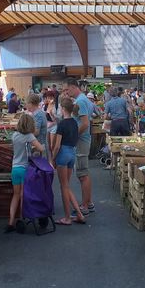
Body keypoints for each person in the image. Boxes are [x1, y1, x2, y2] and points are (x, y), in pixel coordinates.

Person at [6, 113, 44, 233]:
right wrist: (34, 148)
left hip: (15, 168)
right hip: (24, 168)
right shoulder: (29, 136)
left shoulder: (15, 135)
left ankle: (11, 221)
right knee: (24, 195)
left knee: (15, 195)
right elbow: (41, 148)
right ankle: (22, 219)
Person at [51, 97, 87, 226]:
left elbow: (56, 146)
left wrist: (52, 159)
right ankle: (78, 213)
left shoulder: (62, 124)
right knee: (67, 186)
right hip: (72, 153)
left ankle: (67, 217)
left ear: (63, 108)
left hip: (63, 154)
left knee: (63, 186)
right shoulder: (74, 123)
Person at [64, 77, 94, 216]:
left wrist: (74, 136)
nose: (66, 92)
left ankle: (85, 205)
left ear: (73, 87)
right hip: (84, 139)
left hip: (81, 140)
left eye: (67, 89)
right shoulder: (84, 100)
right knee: (84, 173)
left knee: (82, 174)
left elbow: (85, 123)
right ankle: (89, 202)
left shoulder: (81, 101)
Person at [25, 93, 48, 160]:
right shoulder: (37, 113)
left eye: (27, 103)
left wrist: (24, 133)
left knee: (37, 166)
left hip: (37, 146)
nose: (26, 106)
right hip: (37, 145)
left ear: (31, 103)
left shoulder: (38, 115)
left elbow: (36, 132)